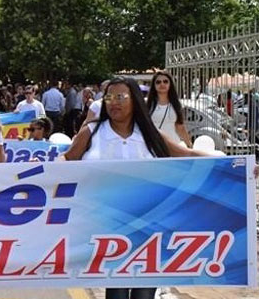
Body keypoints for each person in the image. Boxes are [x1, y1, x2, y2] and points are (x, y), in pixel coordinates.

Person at [63, 77, 222, 299]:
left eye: (120, 97)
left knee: (144, 293)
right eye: (109, 97)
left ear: (136, 101)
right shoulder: (91, 132)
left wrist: (237, 167)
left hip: (148, 228)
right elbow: (67, 159)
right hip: (108, 229)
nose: (113, 103)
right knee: (116, 291)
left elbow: (187, 155)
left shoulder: (148, 134)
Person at [146, 70, 192, 147]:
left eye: (165, 81)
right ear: (154, 85)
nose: (162, 84)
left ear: (170, 84)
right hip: (154, 145)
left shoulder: (176, 104)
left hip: (173, 146)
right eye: (158, 82)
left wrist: (189, 145)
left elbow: (180, 127)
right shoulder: (148, 104)